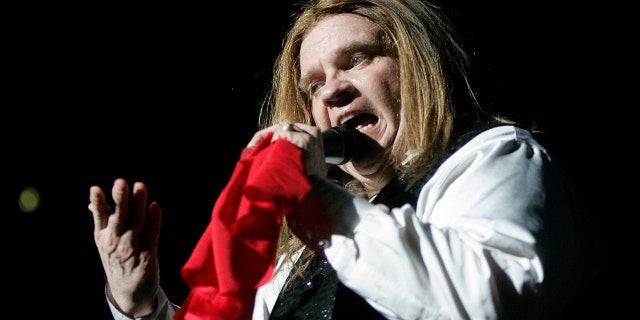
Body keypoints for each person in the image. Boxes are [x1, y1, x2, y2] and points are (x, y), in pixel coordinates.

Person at [89, 0, 602, 319]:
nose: (331, 92)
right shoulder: (298, 253)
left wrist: (313, 200)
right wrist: (142, 306)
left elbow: (487, 305)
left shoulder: (496, 158)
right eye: (313, 84)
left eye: (355, 59)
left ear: (416, 66)